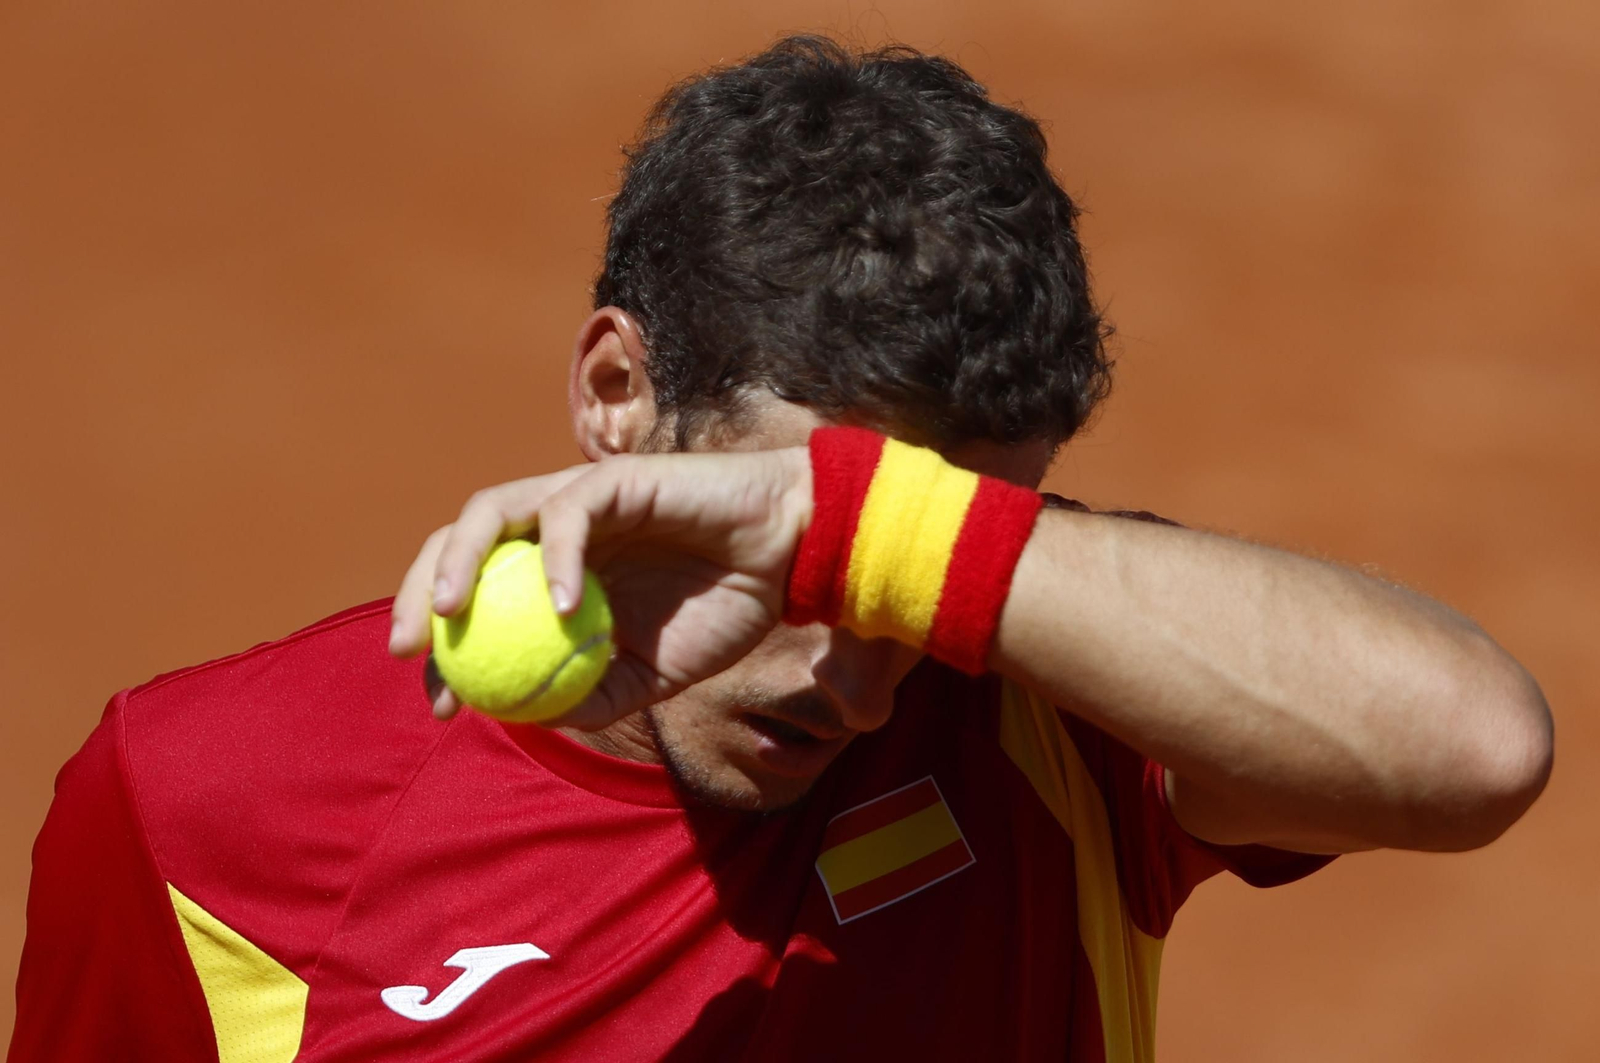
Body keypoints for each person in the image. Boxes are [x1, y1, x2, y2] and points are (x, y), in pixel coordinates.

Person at [11, 36, 1551, 1063]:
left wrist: (874, 533)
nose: (864, 683)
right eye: (794, 551)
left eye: (903, 566)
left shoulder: (1040, 678)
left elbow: (1475, 748)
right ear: (620, 391)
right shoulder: (200, 815)